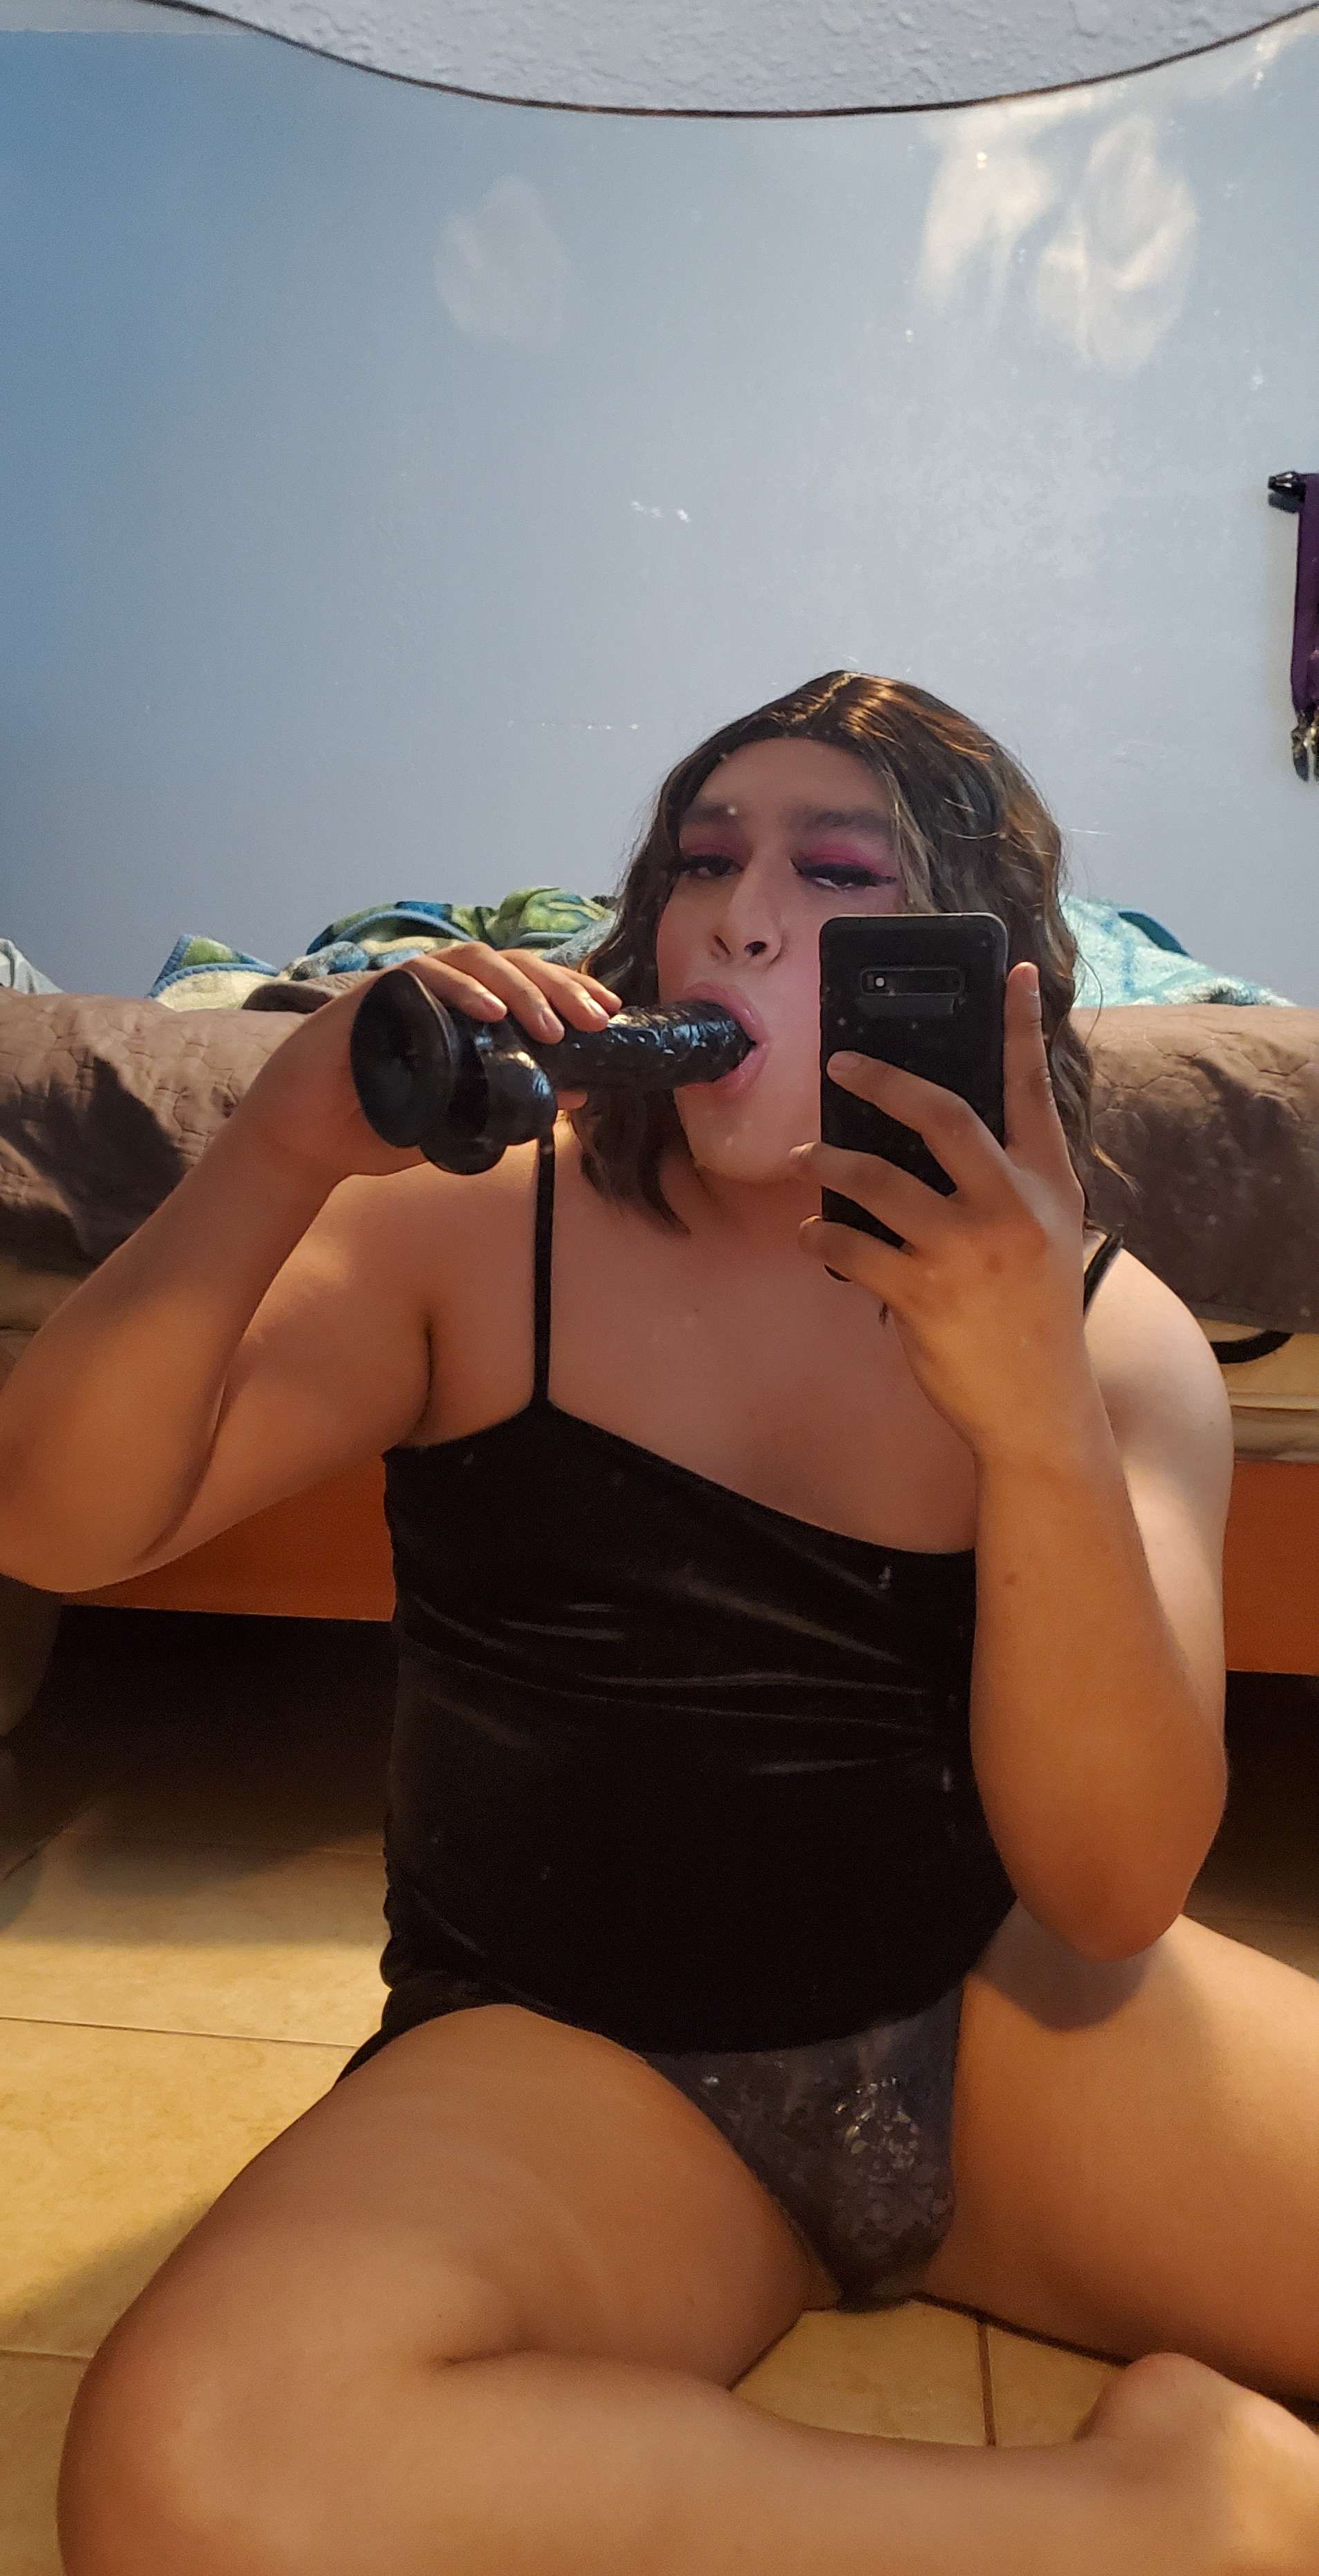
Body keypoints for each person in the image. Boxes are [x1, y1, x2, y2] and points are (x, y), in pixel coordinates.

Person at [2, 670, 1316, 2573]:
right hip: (581, 2066)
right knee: (202, 2475)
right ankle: (1167, 2521)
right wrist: (277, 1148)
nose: (740, 917)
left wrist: (1030, 1414)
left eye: (836, 874)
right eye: (702, 863)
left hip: (1009, 2022)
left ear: (984, 971)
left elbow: (1112, 1893)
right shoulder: (470, 1232)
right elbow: (54, 1525)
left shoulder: (1113, 1340)